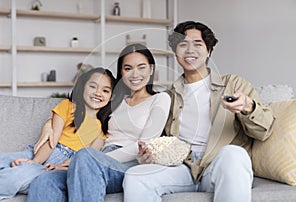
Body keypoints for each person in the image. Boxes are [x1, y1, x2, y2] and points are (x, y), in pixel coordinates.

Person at [122, 21, 275, 202]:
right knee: (135, 176)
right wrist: (148, 154)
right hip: (182, 168)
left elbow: (265, 130)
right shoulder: (167, 96)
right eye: (183, 44)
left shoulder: (233, 84)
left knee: (234, 154)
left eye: (197, 44)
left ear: (209, 51)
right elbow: (160, 139)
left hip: (218, 165)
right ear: (176, 52)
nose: (189, 50)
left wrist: (248, 107)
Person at [27, 43, 171, 202]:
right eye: (128, 68)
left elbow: (146, 143)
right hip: (92, 159)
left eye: (141, 67)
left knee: (85, 156)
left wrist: (91, 158)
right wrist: (49, 124)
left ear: (151, 70)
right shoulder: (113, 99)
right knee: (45, 181)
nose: (134, 74)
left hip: (128, 164)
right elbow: (80, 111)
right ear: (121, 73)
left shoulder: (160, 99)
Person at [0, 67, 115, 200]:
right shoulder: (68, 106)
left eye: (105, 90)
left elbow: (89, 156)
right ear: (83, 87)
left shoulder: (104, 126)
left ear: (111, 96)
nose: (98, 93)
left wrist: (61, 167)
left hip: (62, 164)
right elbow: (51, 139)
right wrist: (33, 161)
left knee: (14, 177)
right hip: (41, 151)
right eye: (93, 86)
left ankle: (23, 177)